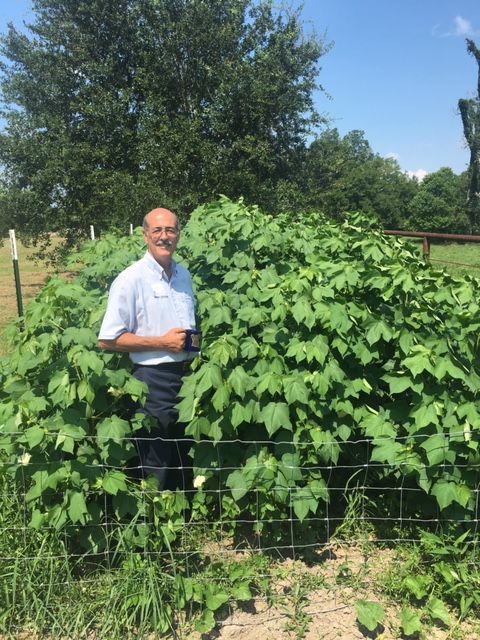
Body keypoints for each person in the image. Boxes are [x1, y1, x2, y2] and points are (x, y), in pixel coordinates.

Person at [97, 207, 197, 491]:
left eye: (171, 230)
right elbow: (108, 338)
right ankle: (154, 525)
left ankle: (181, 520)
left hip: (187, 377)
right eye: (157, 230)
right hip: (153, 380)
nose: (164, 237)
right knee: (157, 455)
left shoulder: (184, 275)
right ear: (145, 236)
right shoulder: (131, 279)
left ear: (178, 235)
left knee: (183, 450)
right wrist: (161, 343)